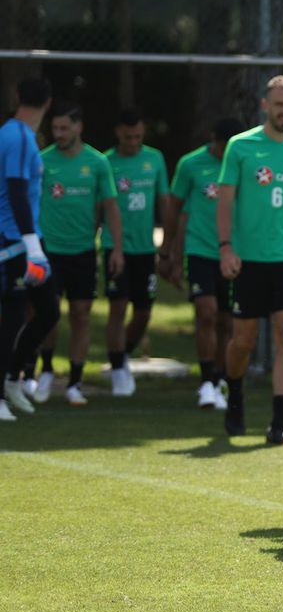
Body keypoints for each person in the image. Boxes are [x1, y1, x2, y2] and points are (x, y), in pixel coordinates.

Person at [217, 74, 283, 444]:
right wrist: (226, 247)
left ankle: (278, 422)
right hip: (248, 259)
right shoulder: (241, 147)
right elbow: (225, 200)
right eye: (279, 104)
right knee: (242, 339)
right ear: (265, 105)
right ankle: (235, 395)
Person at [29, 102, 123, 405]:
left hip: (83, 252)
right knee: (48, 314)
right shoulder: (42, 162)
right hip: (49, 251)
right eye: (54, 128)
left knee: (81, 315)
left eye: (64, 128)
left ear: (79, 127)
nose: (58, 134)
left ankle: (74, 382)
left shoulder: (97, 163)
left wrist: (116, 248)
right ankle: (44, 371)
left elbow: (110, 206)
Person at [165, 117, 244, 410]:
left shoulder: (242, 163)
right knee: (206, 312)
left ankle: (222, 377)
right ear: (214, 140)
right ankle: (207, 382)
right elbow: (174, 207)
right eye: (223, 146)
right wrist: (168, 251)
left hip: (235, 252)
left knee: (226, 320)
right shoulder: (190, 164)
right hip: (200, 250)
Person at [103, 108, 170, 396]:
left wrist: (167, 244)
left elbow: (164, 202)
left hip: (145, 248)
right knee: (118, 306)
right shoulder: (106, 162)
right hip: (114, 247)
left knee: (143, 312)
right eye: (129, 137)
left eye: (139, 136)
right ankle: (118, 368)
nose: (134, 141)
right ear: (118, 133)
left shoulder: (154, 158)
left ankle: (123, 353)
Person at [0, 77, 52, 420]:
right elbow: (17, 190)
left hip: (27, 238)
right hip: (15, 241)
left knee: (47, 310)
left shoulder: (18, 134)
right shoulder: (17, 136)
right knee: (13, 316)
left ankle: (12, 378)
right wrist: (32, 246)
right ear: (48, 103)